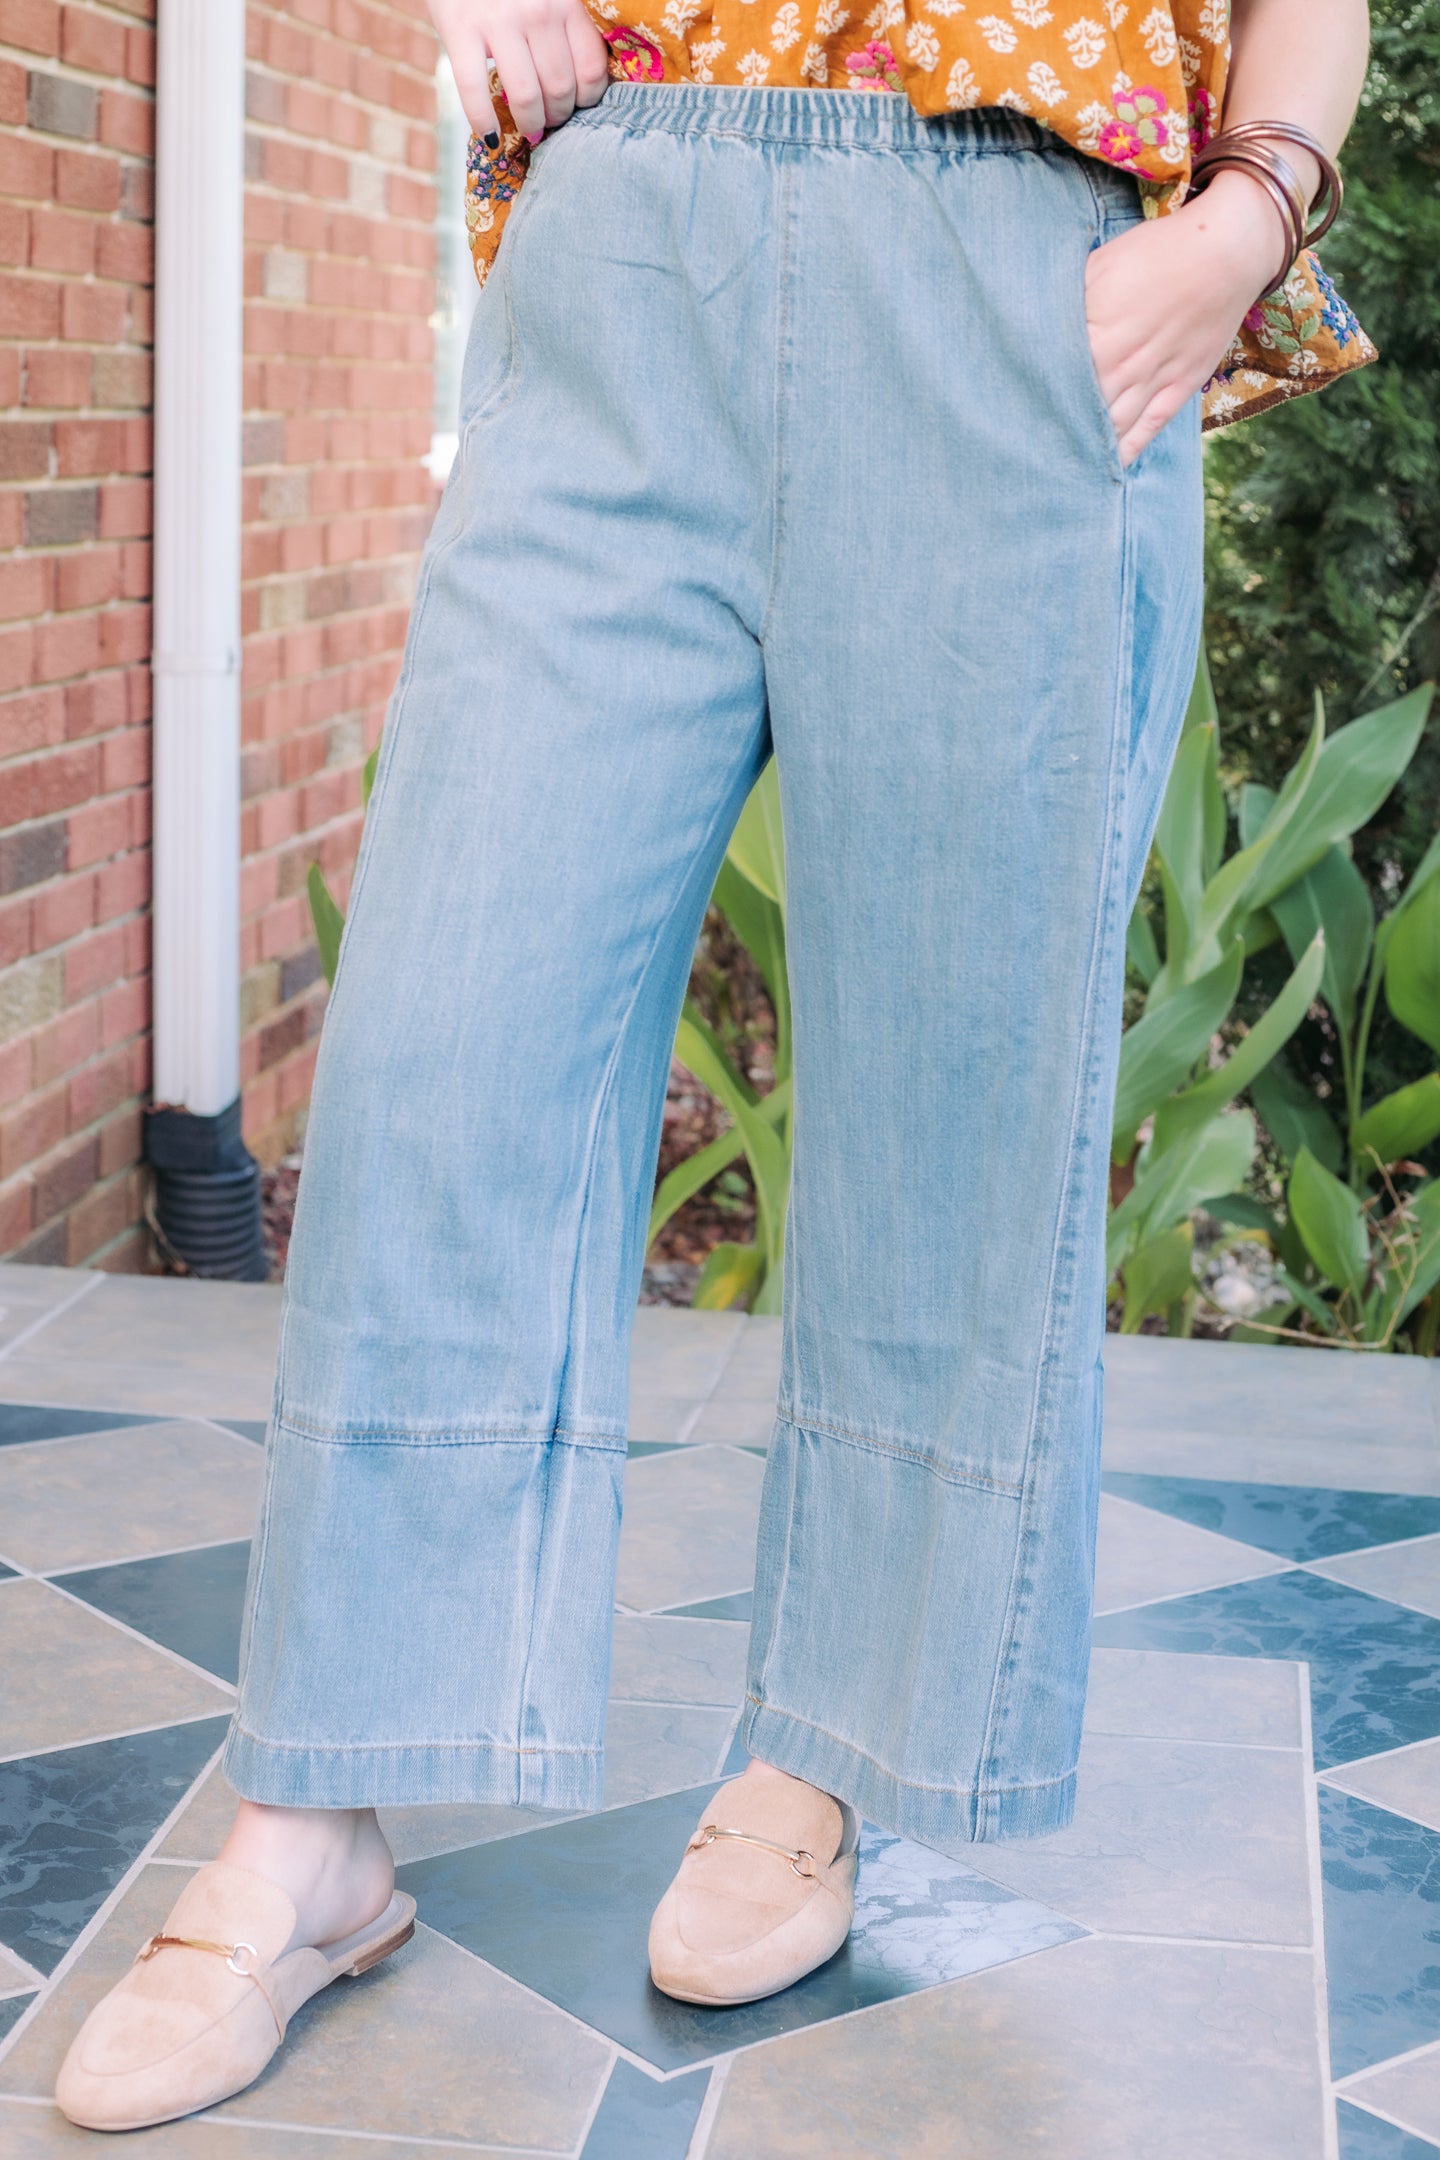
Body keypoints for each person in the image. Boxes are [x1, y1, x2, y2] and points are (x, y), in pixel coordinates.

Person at [57, 0, 1373, 2129]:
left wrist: (1249, 218)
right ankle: (315, 1819)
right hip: (626, 239)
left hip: (1014, 262)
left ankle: (822, 1753)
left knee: (954, 1095)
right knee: (439, 1061)